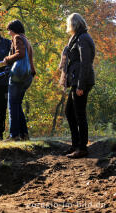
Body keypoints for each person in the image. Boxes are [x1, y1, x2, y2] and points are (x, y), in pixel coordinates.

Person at [60, 13, 95, 158]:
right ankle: (75, 145)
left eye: (69, 24)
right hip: (76, 80)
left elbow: (85, 63)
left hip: (82, 81)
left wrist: (80, 85)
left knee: (79, 114)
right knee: (70, 112)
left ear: (74, 24)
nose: (68, 27)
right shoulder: (76, 38)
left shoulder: (82, 38)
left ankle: (82, 148)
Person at [0, 20, 36, 141]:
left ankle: (14, 135)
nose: (8, 33)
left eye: (9, 31)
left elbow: (20, 53)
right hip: (27, 76)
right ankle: (24, 134)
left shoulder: (17, 37)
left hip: (18, 75)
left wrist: (6, 59)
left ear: (13, 30)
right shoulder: (25, 39)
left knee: (12, 104)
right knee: (17, 104)